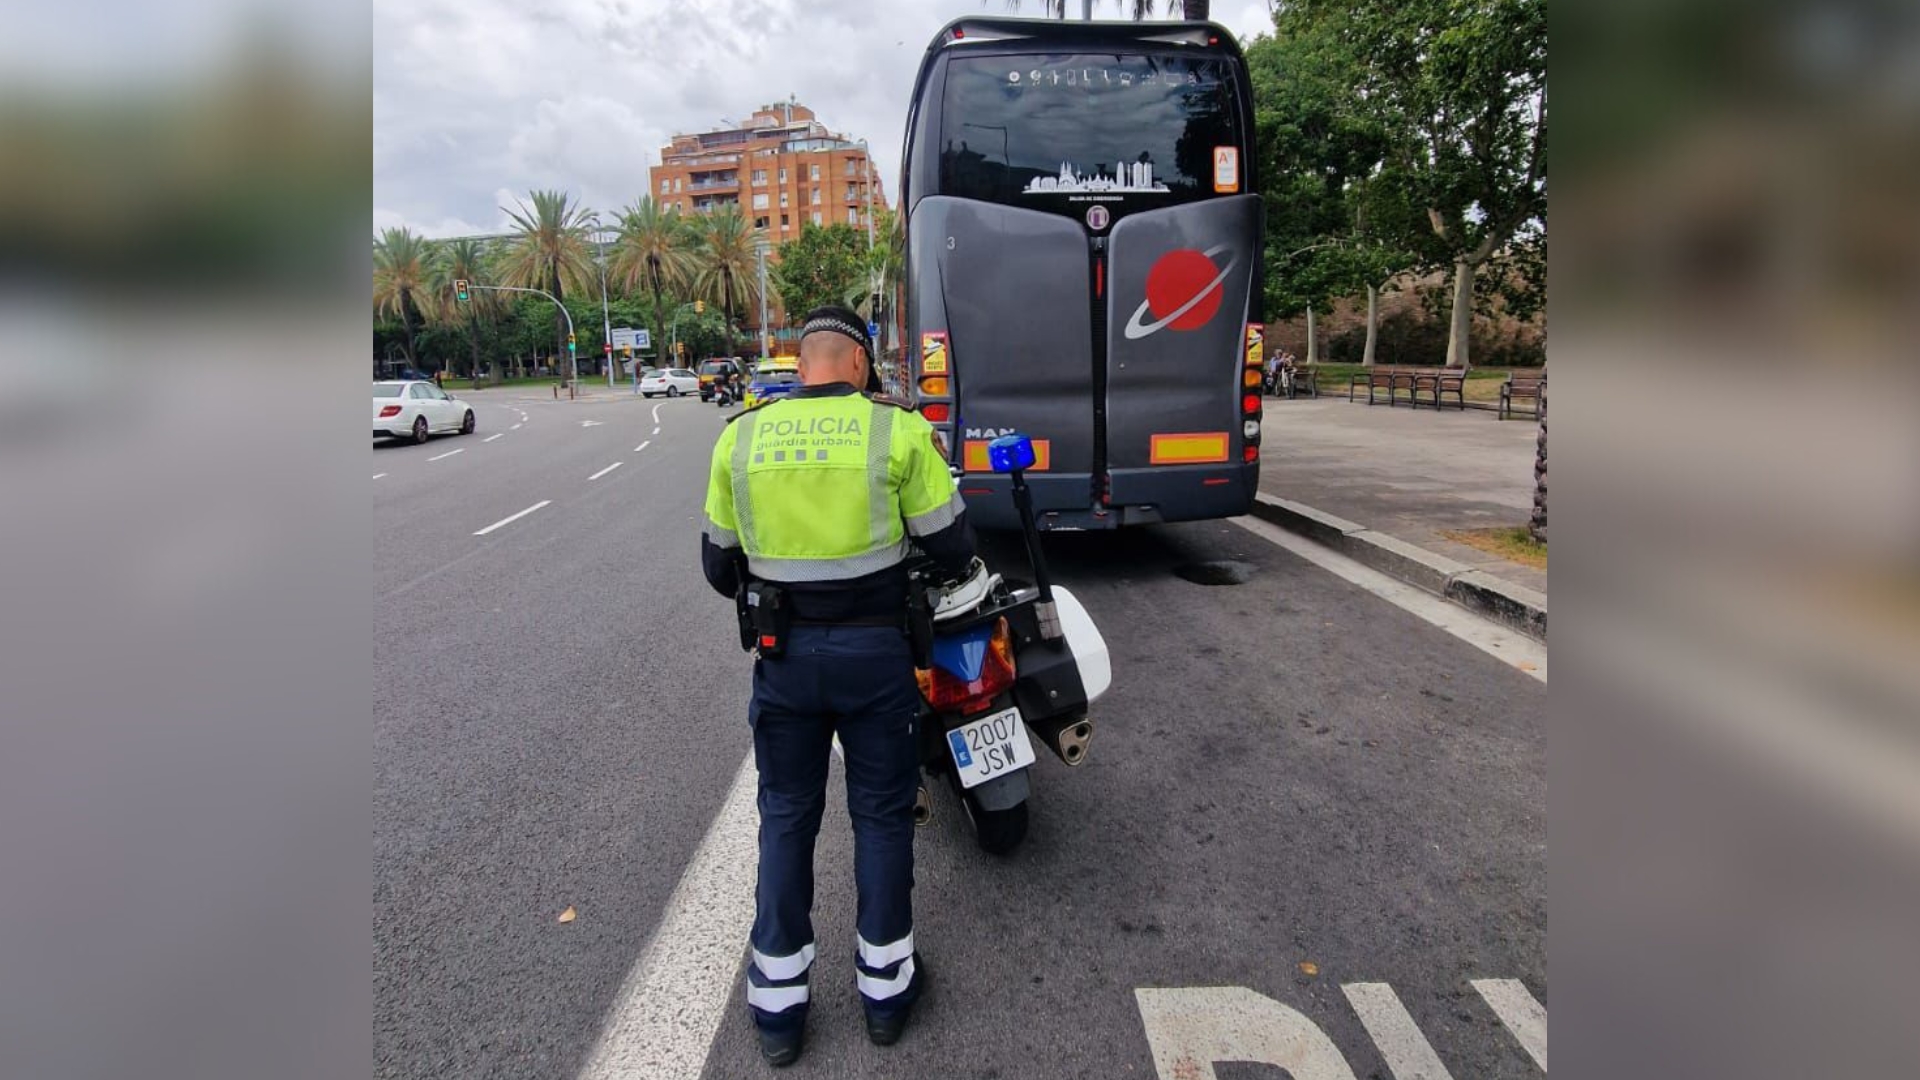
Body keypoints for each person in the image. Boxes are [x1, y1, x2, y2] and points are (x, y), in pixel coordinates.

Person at [701, 305, 975, 1067]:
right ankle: (886, 994)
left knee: (786, 819)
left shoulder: (741, 437)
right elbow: (953, 546)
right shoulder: (897, 432)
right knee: (882, 819)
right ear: (858, 364)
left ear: (802, 362)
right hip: (876, 661)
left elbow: (719, 566)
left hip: (783, 660)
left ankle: (778, 1009)